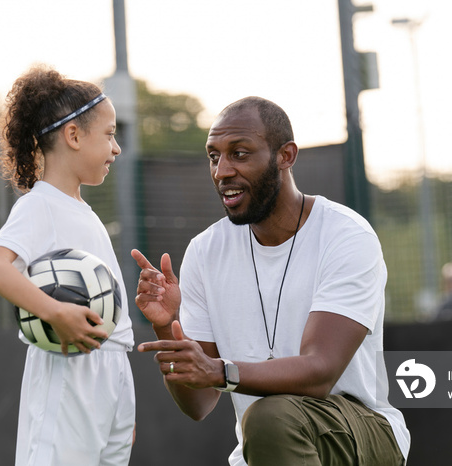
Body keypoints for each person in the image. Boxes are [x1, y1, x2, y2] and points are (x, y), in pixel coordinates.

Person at [132, 97, 409, 465]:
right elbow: (198, 404)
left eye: (240, 154)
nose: (222, 171)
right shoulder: (204, 252)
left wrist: (219, 370)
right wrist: (167, 327)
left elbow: (320, 372)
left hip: (362, 436)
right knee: (265, 421)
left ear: (286, 156)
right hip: (264, 448)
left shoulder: (345, 235)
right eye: (214, 156)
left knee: (267, 416)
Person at [0, 66, 135, 466]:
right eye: (110, 134)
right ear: (74, 135)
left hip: (111, 369)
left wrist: (116, 400)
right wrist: (54, 311)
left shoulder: (83, 210)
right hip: (68, 370)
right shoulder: (39, 204)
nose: (117, 148)